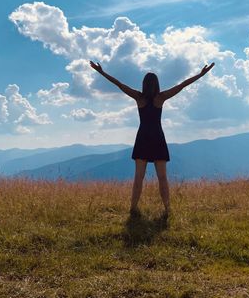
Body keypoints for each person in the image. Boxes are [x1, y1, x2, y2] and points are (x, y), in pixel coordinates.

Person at [90, 60, 215, 217]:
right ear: (157, 84)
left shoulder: (139, 98)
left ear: (143, 84)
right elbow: (182, 85)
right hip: (157, 138)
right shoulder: (160, 98)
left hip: (142, 138)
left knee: (138, 178)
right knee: (163, 178)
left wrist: (101, 72)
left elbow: (119, 84)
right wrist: (201, 74)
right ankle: (167, 209)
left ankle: (133, 209)